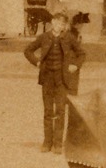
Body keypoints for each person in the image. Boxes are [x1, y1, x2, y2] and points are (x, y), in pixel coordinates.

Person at [25, 12, 85, 152]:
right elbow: (28, 50)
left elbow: (82, 54)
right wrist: (37, 62)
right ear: (52, 22)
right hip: (47, 79)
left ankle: (58, 143)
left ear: (65, 26)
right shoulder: (44, 37)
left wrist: (75, 65)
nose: (60, 26)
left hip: (62, 80)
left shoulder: (69, 38)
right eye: (57, 22)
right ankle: (47, 142)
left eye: (63, 24)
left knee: (60, 110)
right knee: (47, 111)